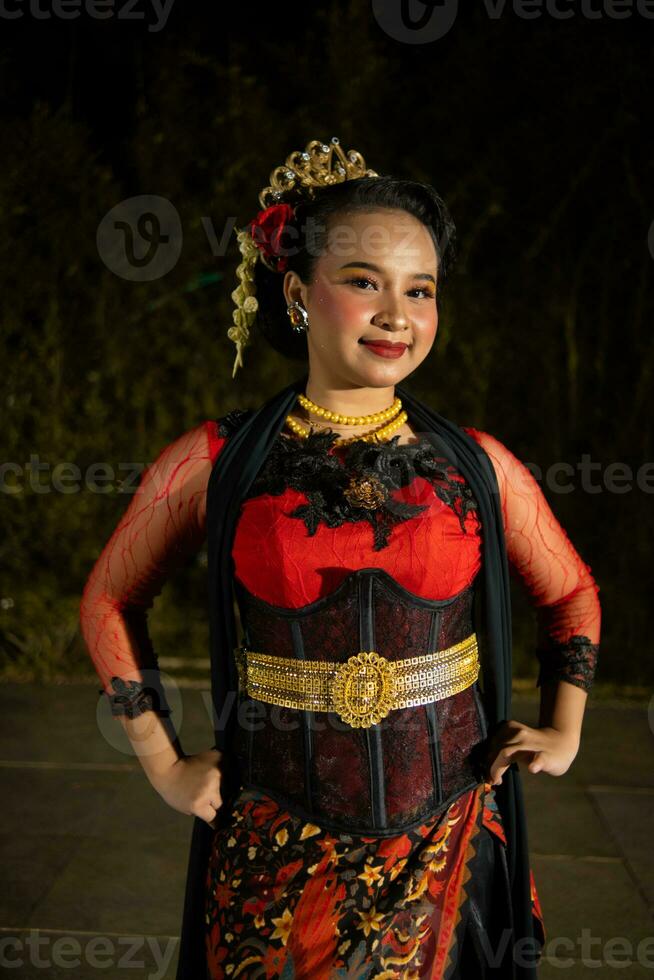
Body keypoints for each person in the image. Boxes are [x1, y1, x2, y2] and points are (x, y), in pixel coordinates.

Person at [79, 137, 601, 979]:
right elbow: (108, 597)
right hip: (270, 852)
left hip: (451, 847)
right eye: (364, 281)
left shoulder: (479, 465)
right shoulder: (218, 460)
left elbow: (571, 592)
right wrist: (165, 766)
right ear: (296, 293)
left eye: (420, 290)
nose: (397, 315)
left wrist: (566, 730)